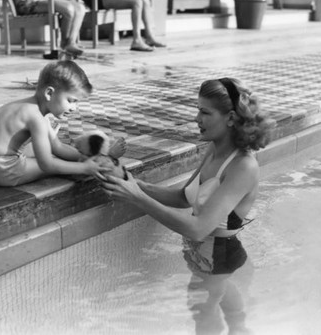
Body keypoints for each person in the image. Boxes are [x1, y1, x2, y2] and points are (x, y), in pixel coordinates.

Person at [101, 77, 274, 332]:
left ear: (230, 118)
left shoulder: (243, 166)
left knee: (202, 315)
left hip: (218, 257)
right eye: (198, 110)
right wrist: (133, 183)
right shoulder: (213, 151)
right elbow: (183, 197)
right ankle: (241, 328)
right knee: (222, 304)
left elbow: (199, 228)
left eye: (205, 112)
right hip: (206, 256)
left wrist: (136, 197)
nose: (197, 118)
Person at [0, 60, 112, 186]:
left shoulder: (31, 107)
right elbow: (46, 164)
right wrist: (84, 168)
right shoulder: (36, 118)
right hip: (1, 170)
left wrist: (87, 157)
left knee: (49, 154)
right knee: (54, 166)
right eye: (70, 101)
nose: (74, 108)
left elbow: (57, 147)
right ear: (49, 93)